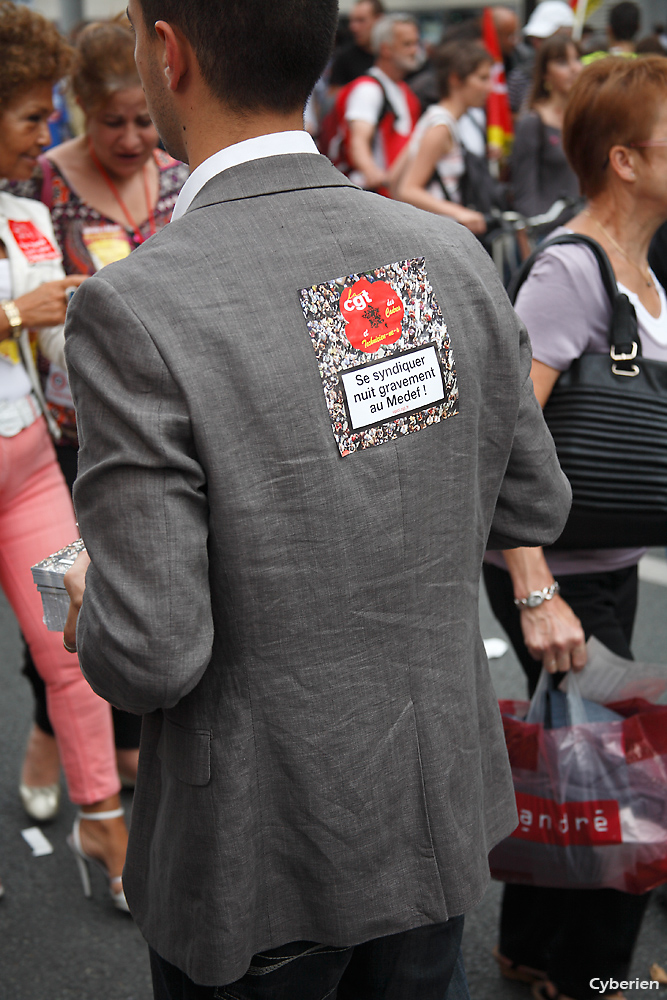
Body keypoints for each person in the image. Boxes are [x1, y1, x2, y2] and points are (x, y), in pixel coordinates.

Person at [62, 0, 571, 996]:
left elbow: (152, 650)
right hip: (433, 804)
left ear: (168, 52)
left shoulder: (140, 306)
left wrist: (90, 596)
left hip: (261, 848)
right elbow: (531, 503)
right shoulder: (447, 255)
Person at [484, 55, 667, 1000]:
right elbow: (501, 433)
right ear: (626, 160)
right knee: (629, 782)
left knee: (575, 754)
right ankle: (590, 975)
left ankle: (528, 951)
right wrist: (534, 586)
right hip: (558, 569)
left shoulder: (642, 267)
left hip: (608, 558)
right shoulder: (570, 268)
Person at [15, 16, 188, 813]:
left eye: (143, 120)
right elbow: (32, 306)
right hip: (69, 425)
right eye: (109, 121)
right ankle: (59, 737)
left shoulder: (181, 174)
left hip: (164, 411)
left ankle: (116, 751)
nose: (130, 137)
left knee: (148, 581)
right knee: (61, 593)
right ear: (78, 109)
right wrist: (28, 316)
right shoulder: (35, 181)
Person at [0, 0, 129, 909]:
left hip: (29, 468)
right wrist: (12, 316)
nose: (46, 129)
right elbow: (24, 322)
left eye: (50, 108)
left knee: (73, 644)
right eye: (29, 113)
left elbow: (59, 352)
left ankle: (106, 827)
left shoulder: (26, 217)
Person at [395, 41, 492, 235]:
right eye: (482, 78)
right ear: (455, 79)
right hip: (433, 234)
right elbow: (407, 189)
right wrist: (460, 213)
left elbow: (394, 176)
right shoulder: (441, 127)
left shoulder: (433, 118)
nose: (488, 87)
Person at [339, 13, 422, 194]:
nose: (415, 50)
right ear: (386, 49)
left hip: (396, 195)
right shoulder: (368, 90)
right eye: (407, 44)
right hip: (378, 195)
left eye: (416, 43)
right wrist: (371, 172)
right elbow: (358, 140)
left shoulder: (402, 89)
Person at [511, 35, 581, 229]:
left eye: (577, 59)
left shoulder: (584, 119)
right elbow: (525, 196)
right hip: (547, 233)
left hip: (582, 230)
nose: (574, 68)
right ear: (545, 74)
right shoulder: (533, 123)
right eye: (562, 62)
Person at [506, 1, 575, 114]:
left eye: (545, 38)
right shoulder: (520, 76)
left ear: (568, 34)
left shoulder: (586, 78)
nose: (537, 44)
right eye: (535, 38)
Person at [329, 0, 386, 90]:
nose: (353, 27)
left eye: (361, 20)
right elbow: (332, 98)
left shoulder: (390, 56)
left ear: (379, 19)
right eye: (352, 21)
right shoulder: (344, 58)